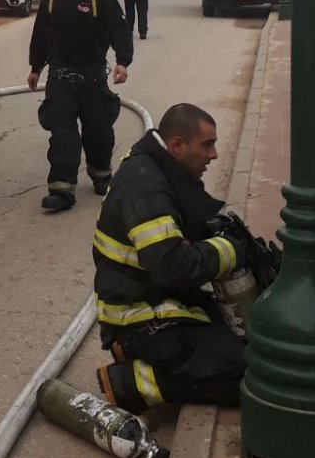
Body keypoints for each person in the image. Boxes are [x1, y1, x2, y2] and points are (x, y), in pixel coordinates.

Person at [94, 102, 248, 412]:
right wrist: (230, 251)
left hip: (159, 301)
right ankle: (131, 382)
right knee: (250, 375)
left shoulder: (159, 169)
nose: (214, 154)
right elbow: (172, 267)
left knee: (247, 344)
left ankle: (151, 358)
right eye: (207, 144)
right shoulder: (146, 187)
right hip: (138, 319)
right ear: (177, 145)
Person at [28, 0, 134, 212]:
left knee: (98, 133)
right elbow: (40, 33)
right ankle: (62, 188)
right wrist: (35, 68)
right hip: (61, 79)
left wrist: (123, 61)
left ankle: (100, 174)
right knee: (63, 135)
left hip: (94, 79)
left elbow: (119, 30)